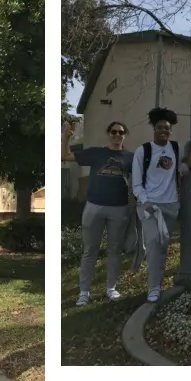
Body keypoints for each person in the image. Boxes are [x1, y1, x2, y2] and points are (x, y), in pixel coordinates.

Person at [62, 121, 134, 306]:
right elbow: (65, 156)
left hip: (119, 208)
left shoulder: (131, 157)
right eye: (114, 132)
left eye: (121, 132)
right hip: (94, 207)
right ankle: (84, 292)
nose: (117, 135)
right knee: (89, 251)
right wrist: (66, 137)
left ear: (125, 135)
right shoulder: (95, 153)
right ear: (108, 134)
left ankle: (111, 288)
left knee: (114, 250)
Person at [131, 108, 180, 303]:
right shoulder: (143, 151)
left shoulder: (175, 148)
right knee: (153, 241)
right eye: (160, 127)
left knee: (163, 244)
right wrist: (146, 202)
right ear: (154, 128)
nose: (163, 131)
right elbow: (136, 184)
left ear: (170, 130)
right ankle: (154, 288)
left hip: (170, 205)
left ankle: (157, 281)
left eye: (167, 128)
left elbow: (182, 169)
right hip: (149, 205)